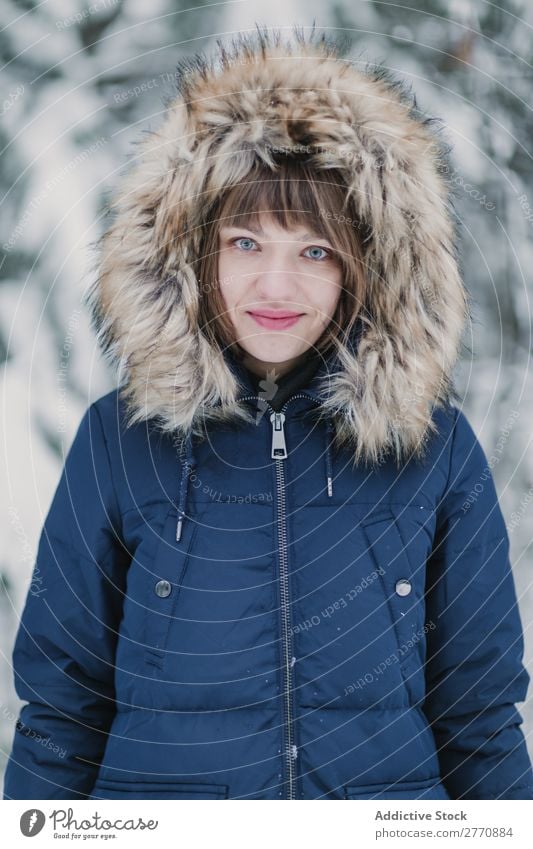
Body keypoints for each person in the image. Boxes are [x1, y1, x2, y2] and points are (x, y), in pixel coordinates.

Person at [4, 28, 533, 801]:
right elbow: (60, 704)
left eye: (314, 250)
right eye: (245, 242)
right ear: (192, 252)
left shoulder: (434, 447)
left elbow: (478, 711)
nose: (274, 286)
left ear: (367, 260)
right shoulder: (119, 440)